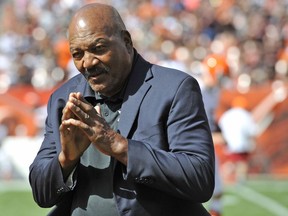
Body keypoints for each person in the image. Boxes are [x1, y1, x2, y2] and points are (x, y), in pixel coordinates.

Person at [29, 3, 215, 216]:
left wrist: (116, 144)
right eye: (77, 54)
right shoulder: (63, 100)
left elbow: (199, 178)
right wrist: (67, 160)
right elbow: (41, 194)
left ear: (126, 42)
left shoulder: (175, 89)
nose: (87, 63)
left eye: (98, 48)